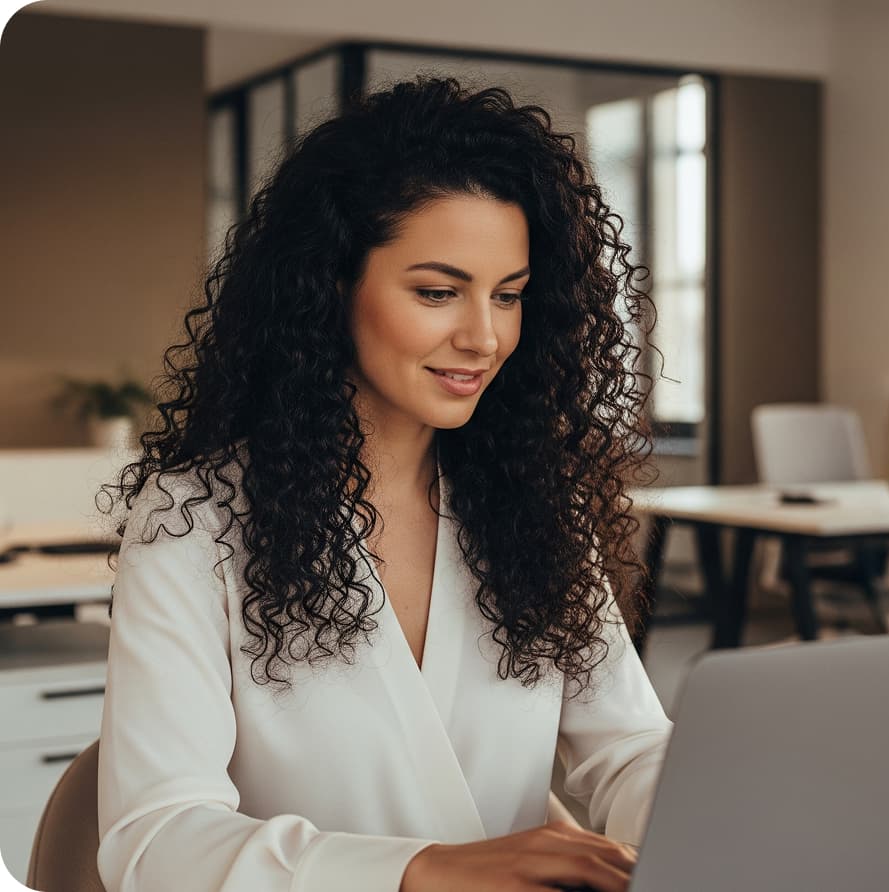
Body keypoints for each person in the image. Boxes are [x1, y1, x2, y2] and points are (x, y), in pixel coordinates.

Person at [96, 75, 672, 892]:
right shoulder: (196, 522)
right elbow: (154, 843)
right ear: (332, 286)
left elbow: (626, 749)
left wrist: (717, 816)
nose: (483, 336)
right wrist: (419, 870)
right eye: (438, 292)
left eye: (508, 296)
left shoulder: (531, 508)